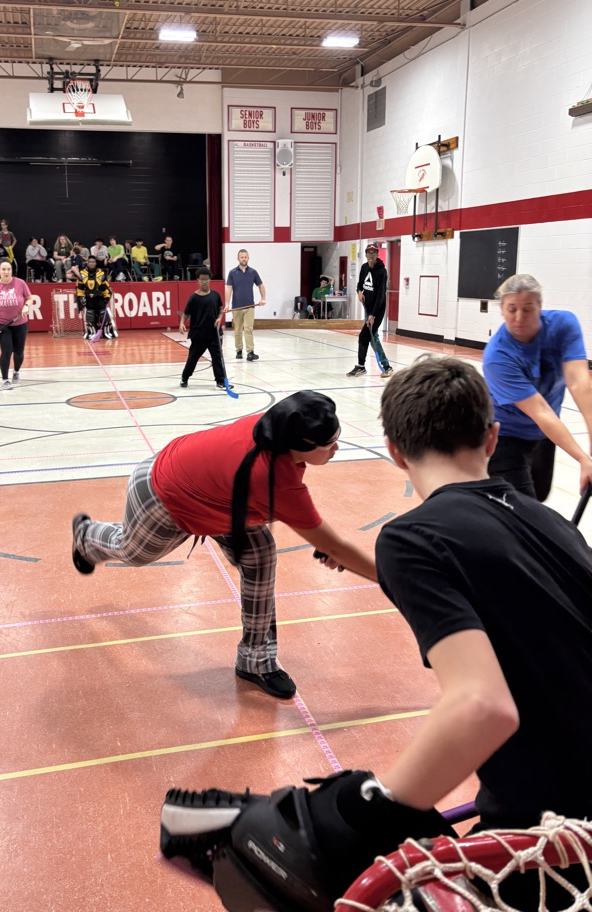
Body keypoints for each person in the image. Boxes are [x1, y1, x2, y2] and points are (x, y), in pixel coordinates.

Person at [160, 355, 592, 912]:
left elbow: (485, 706)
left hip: (546, 842)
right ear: (492, 437)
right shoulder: (550, 521)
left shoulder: (414, 537)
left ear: (393, 451)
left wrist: (369, 809)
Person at [72, 389, 377, 700]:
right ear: (300, 445)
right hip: (165, 493)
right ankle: (86, 536)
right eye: (329, 444)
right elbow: (336, 547)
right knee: (133, 552)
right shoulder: (274, 479)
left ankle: (255, 661)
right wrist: (389, 580)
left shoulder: (277, 427)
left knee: (260, 556)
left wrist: (327, 545)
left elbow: (326, 541)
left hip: (222, 498)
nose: (336, 448)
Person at [483, 273, 592, 502]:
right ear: (502, 310)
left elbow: (580, 383)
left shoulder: (564, 325)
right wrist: (583, 459)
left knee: (539, 496)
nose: (519, 317)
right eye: (512, 309)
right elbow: (539, 410)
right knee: (521, 508)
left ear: (540, 307)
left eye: (528, 309)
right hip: (504, 435)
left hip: (544, 434)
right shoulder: (497, 356)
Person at [346, 243, 393, 379]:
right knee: (373, 338)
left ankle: (363, 367)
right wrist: (359, 292)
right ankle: (385, 366)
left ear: (377, 255)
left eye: (373, 253)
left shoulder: (381, 272)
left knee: (364, 336)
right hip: (367, 308)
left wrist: (373, 315)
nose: (371, 255)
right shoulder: (364, 267)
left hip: (377, 311)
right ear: (366, 255)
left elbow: (380, 296)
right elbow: (360, 284)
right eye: (368, 253)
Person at [0, 259, 31, 390]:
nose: (6, 272)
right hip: (3, 324)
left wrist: (26, 306)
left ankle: (16, 371)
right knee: (6, 351)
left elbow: (29, 298)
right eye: (3, 269)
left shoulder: (20, 283)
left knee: (19, 352)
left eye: (9, 269)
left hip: (20, 323)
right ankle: (5, 379)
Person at [179, 267, 226, 390]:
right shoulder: (194, 298)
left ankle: (220, 381)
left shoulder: (215, 295)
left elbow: (220, 309)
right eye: (202, 280)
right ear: (198, 281)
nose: (204, 282)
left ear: (210, 280)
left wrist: (219, 318)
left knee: (217, 358)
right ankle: (185, 377)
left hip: (214, 334)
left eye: (207, 279)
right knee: (193, 358)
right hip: (199, 334)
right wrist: (181, 323)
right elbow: (186, 314)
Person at [225, 249, 266, 361]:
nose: (244, 259)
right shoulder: (232, 273)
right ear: (238, 258)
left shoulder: (253, 272)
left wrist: (263, 299)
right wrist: (227, 304)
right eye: (242, 257)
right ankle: (239, 350)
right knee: (237, 330)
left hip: (249, 306)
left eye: (245, 257)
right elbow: (229, 288)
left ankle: (250, 352)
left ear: (248, 258)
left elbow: (261, 285)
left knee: (248, 329)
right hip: (236, 307)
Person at [75, 255, 111, 340]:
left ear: (95, 263)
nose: (91, 263)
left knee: (104, 315)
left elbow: (105, 286)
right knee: (90, 315)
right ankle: (91, 332)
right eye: (90, 262)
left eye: (93, 262)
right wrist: (80, 298)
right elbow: (80, 288)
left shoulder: (101, 273)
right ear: (87, 263)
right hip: (88, 298)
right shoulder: (82, 274)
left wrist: (107, 297)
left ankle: (107, 332)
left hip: (99, 297)